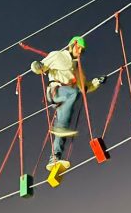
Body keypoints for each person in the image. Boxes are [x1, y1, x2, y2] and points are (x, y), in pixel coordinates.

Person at [30, 36, 107, 171]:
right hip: (56, 91)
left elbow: (85, 87)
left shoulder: (77, 69)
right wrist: (36, 65)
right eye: (78, 47)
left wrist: (97, 82)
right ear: (71, 45)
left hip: (66, 98)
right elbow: (41, 66)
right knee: (74, 93)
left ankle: (55, 157)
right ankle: (60, 127)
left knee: (63, 128)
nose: (79, 51)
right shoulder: (57, 55)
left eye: (82, 50)